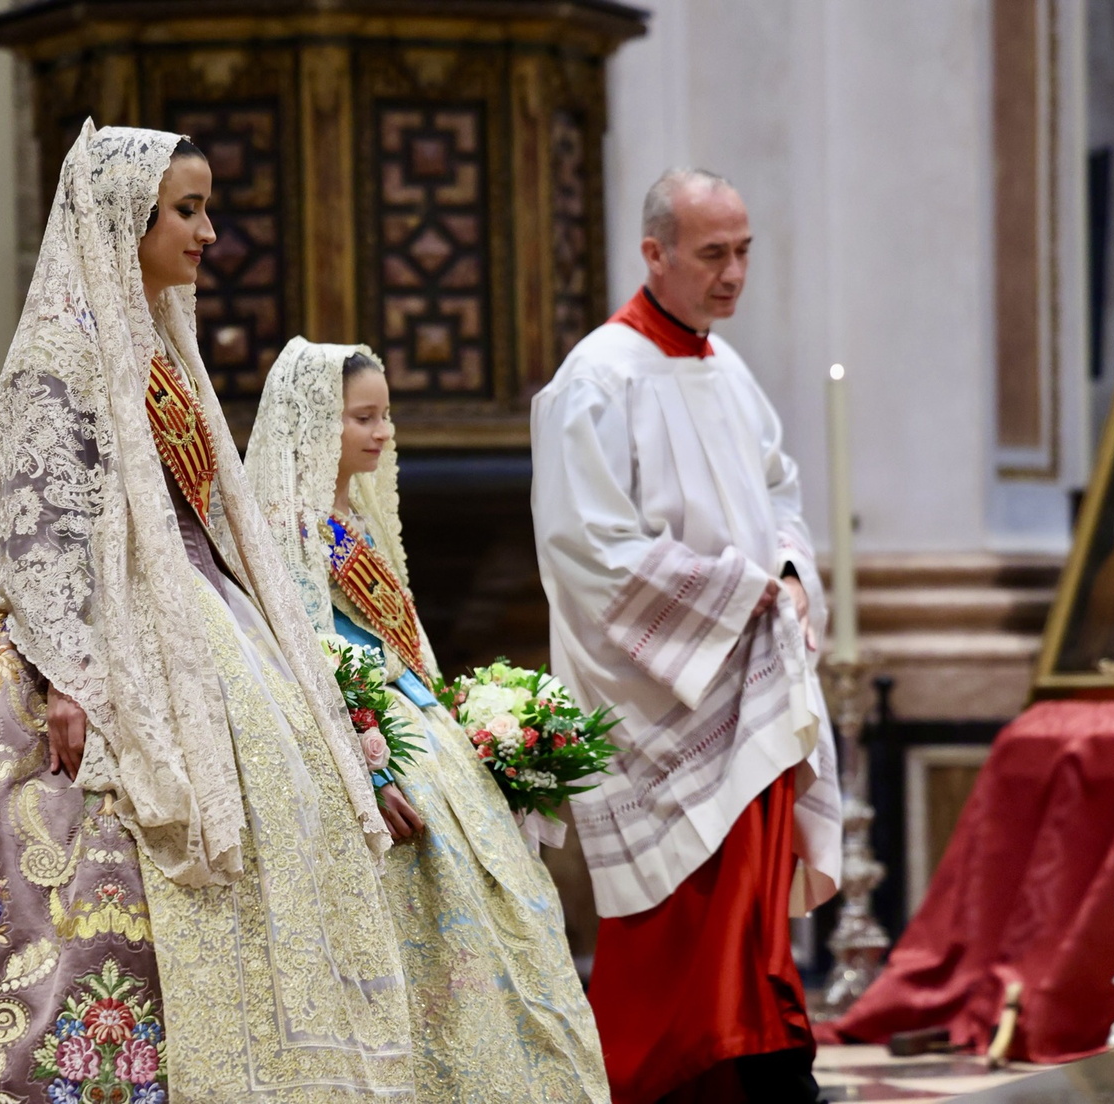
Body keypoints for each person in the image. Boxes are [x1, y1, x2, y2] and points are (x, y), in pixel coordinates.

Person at [0, 122, 412, 1103]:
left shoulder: (162, 350)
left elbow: (205, 513)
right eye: (188, 211)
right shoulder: (63, 352)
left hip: (192, 611)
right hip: (75, 636)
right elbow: (38, 523)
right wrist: (70, 676)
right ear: (127, 219)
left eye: (207, 209)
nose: (209, 233)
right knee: (70, 880)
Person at [530, 168, 842, 1104]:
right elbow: (588, 550)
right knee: (687, 916)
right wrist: (736, 596)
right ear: (654, 253)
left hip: (749, 673)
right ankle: (678, 1081)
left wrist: (790, 572)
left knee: (751, 902)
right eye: (713, 254)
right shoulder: (597, 378)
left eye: (743, 251)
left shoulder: (727, 371)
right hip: (666, 693)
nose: (734, 273)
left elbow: (780, 492)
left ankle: (762, 1066)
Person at [244, 337, 611, 1103]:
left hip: (417, 722)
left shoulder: (356, 519)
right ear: (316, 423)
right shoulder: (289, 527)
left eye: (386, 416)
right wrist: (367, 762)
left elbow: (400, 645)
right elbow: (304, 650)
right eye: (363, 418)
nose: (382, 433)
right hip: (367, 742)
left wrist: (478, 726)